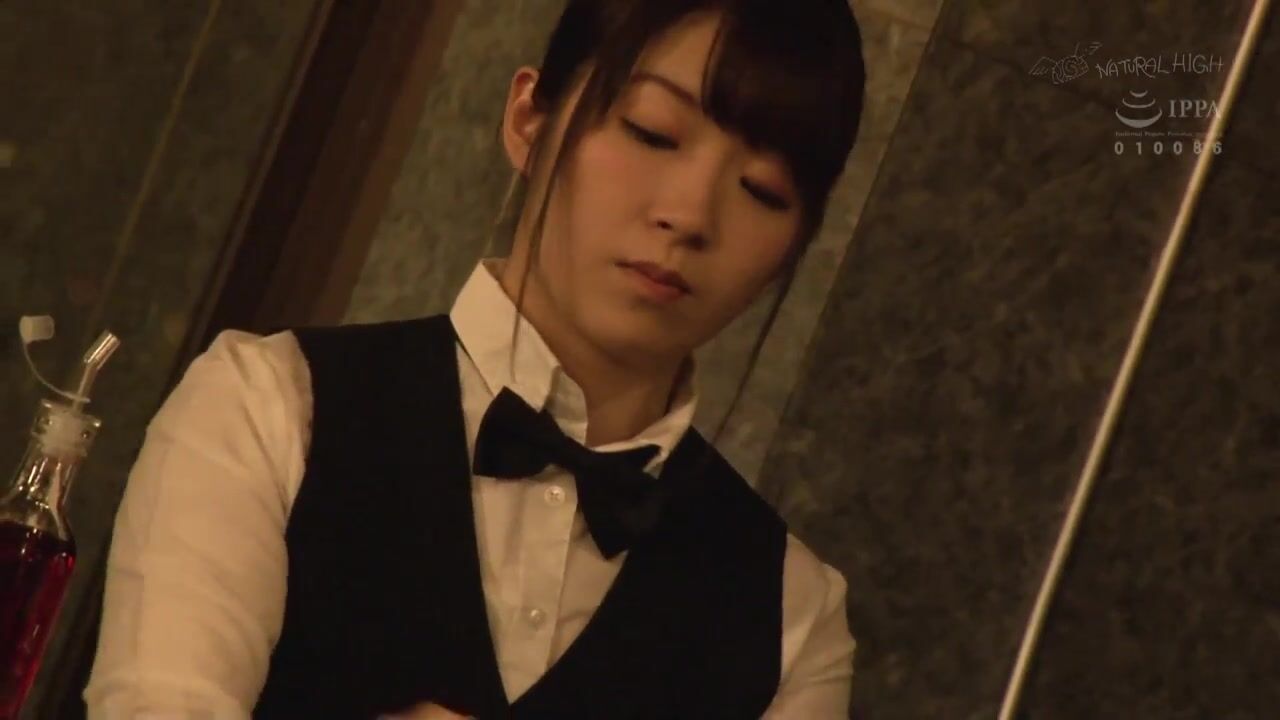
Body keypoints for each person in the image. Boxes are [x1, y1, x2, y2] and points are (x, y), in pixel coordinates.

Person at [83, 0, 866, 717]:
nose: (690, 215)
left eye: (763, 189)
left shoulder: (792, 620)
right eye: (652, 133)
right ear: (529, 119)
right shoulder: (267, 406)